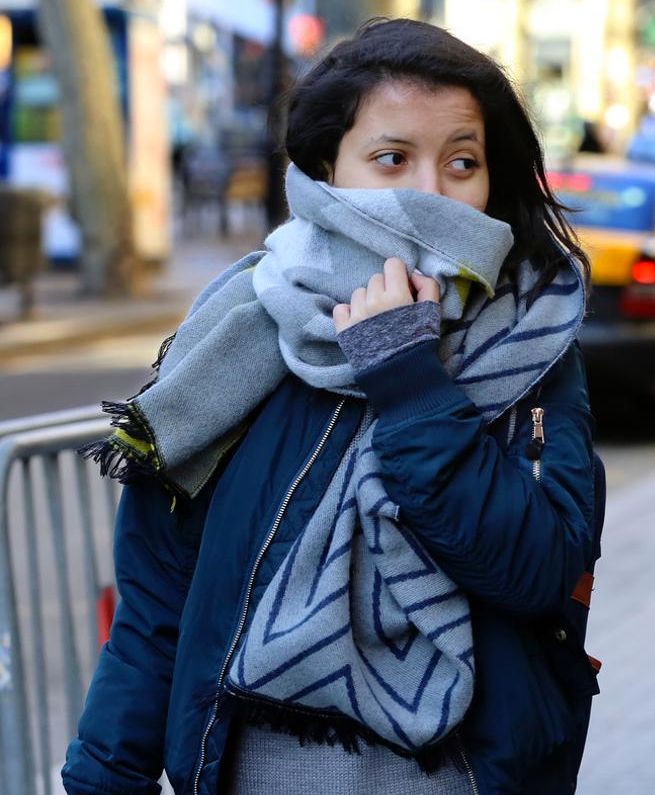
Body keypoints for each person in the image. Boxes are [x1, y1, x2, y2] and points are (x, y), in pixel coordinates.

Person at [63, 19, 603, 794]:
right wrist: (103, 778)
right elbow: (156, 602)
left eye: (462, 163)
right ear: (326, 167)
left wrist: (408, 378)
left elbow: (537, 569)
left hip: (456, 772)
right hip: (248, 764)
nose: (429, 193)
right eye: (392, 159)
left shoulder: (533, 344)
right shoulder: (237, 331)